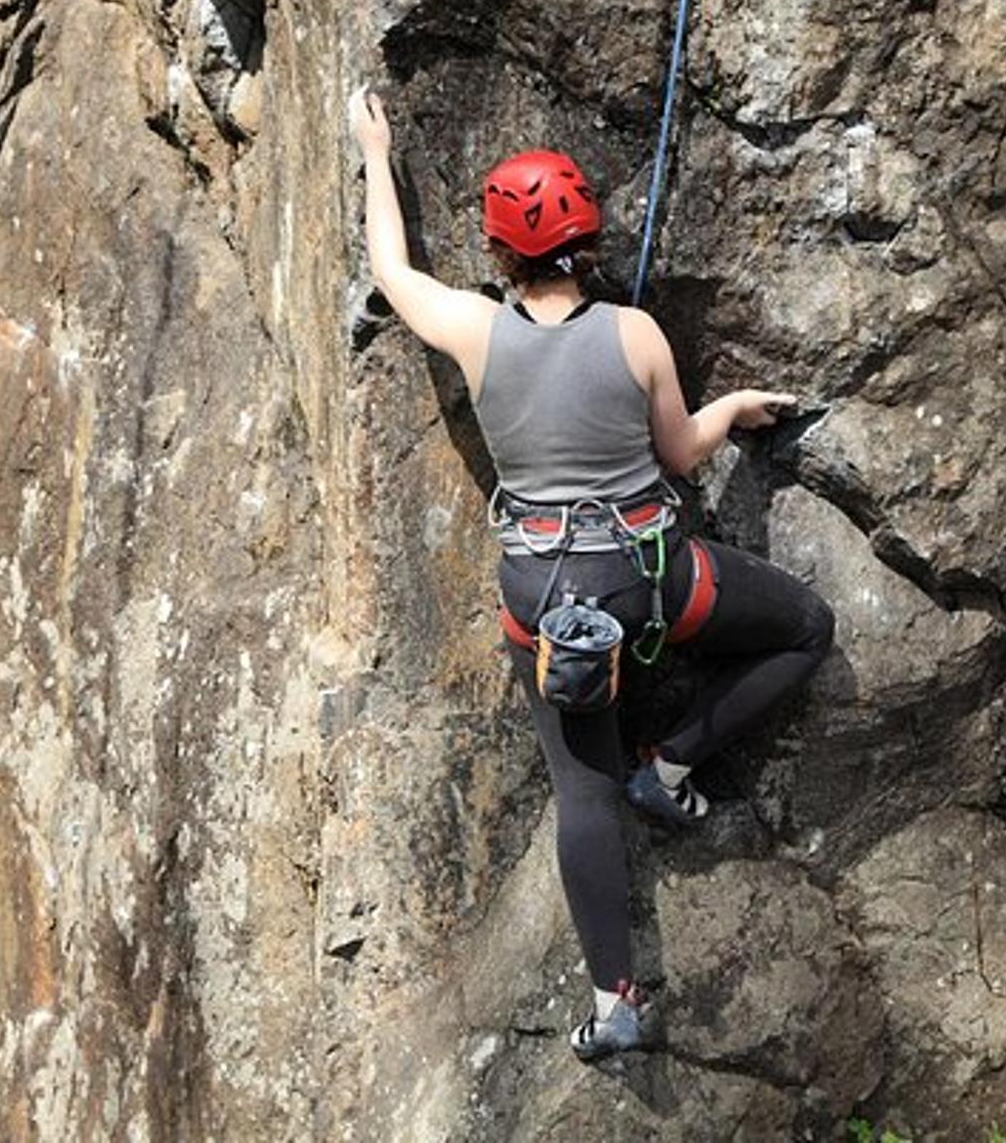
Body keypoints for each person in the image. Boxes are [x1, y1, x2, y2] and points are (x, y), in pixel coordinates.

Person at [349, 90, 836, 1061]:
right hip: (653, 579)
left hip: (543, 602)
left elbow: (389, 268)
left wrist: (375, 150)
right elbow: (680, 453)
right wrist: (732, 403)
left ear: (498, 254)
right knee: (804, 628)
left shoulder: (471, 330)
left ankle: (615, 1001)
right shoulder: (636, 334)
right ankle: (671, 765)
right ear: (586, 239)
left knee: (581, 792)